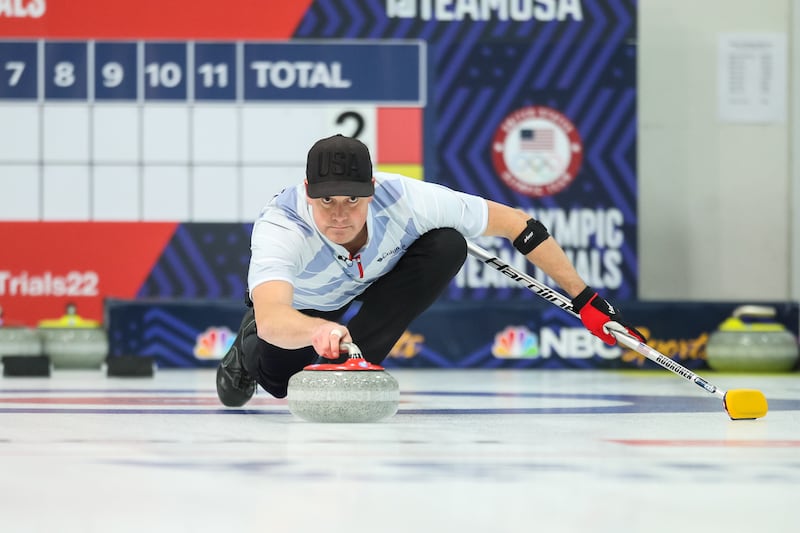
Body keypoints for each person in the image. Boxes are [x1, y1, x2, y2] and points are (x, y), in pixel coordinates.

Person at [216, 134, 644, 406]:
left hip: (374, 275)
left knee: (447, 243)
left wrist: (585, 299)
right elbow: (274, 318)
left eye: (352, 199)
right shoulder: (282, 224)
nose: (340, 214)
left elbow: (518, 224)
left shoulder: (407, 198)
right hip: (303, 307)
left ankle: (353, 364)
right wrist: (314, 331)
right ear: (308, 192)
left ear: (372, 189)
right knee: (279, 386)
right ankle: (245, 352)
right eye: (327, 200)